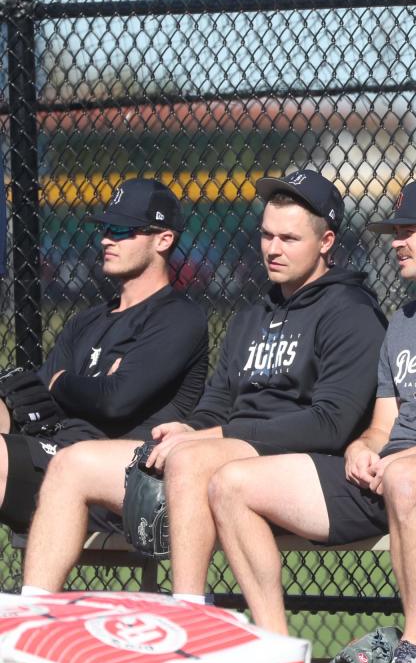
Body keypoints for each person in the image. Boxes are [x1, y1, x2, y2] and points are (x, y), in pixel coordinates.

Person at [207, 178, 416, 663]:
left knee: (407, 476)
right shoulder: (403, 320)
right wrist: (363, 448)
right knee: (231, 483)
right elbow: (382, 424)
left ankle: (414, 649)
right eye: (394, 230)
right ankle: (277, 653)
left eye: (408, 230)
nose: (396, 241)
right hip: (389, 473)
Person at [21, 170, 386, 601]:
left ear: (326, 243)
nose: (272, 249)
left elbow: (330, 425)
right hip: (220, 450)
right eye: (267, 236)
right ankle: (32, 621)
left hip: (294, 467)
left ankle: (189, 606)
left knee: (190, 460)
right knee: (71, 464)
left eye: (289, 239)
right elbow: (215, 406)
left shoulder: (351, 312)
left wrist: (211, 438)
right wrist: (191, 429)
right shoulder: (251, 317)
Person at [0, 178, 207, 534]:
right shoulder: (86, 321)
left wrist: (64, 383)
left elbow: (115, 401)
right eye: (107, 227)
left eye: (123, 230)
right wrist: (80, 388)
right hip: (53, 451)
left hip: (120, 476)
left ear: (163, 239)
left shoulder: (178, 318)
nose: (107, 239)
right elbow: (36, 398)